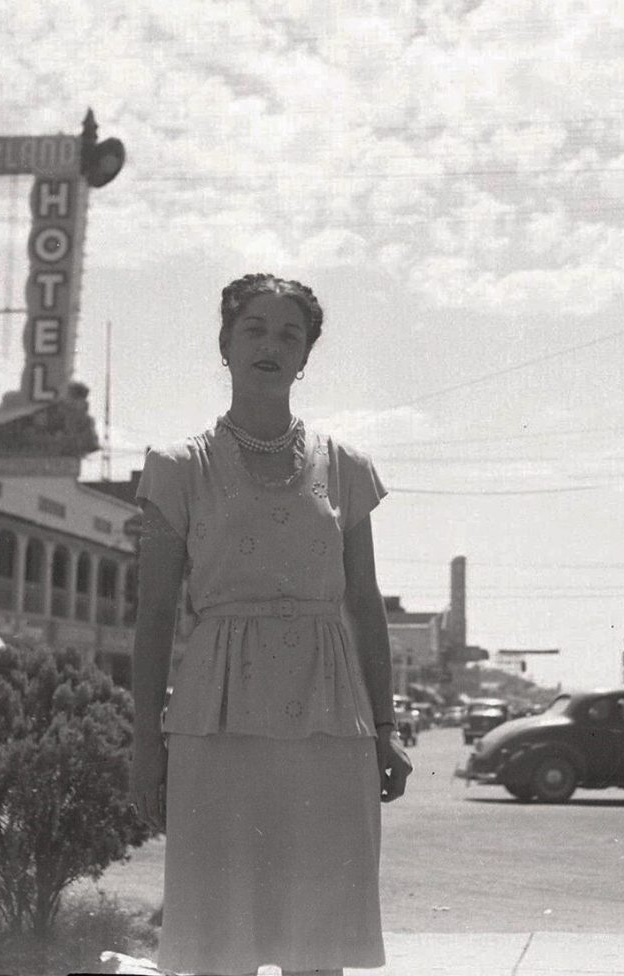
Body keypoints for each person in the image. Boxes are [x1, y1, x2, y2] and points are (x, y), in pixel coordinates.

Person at [129, 273, 412, 976]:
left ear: (306, 357)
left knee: (316, 948)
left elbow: (365, 604)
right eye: (254, 328)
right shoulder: (175, 468)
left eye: (290, 334)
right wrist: (144, 745)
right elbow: (155, 615)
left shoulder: (345, 467)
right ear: (224, 345)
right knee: (218, 947)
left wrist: (388, 727)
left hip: (329, 720)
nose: (271, 344)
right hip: (215, 720)